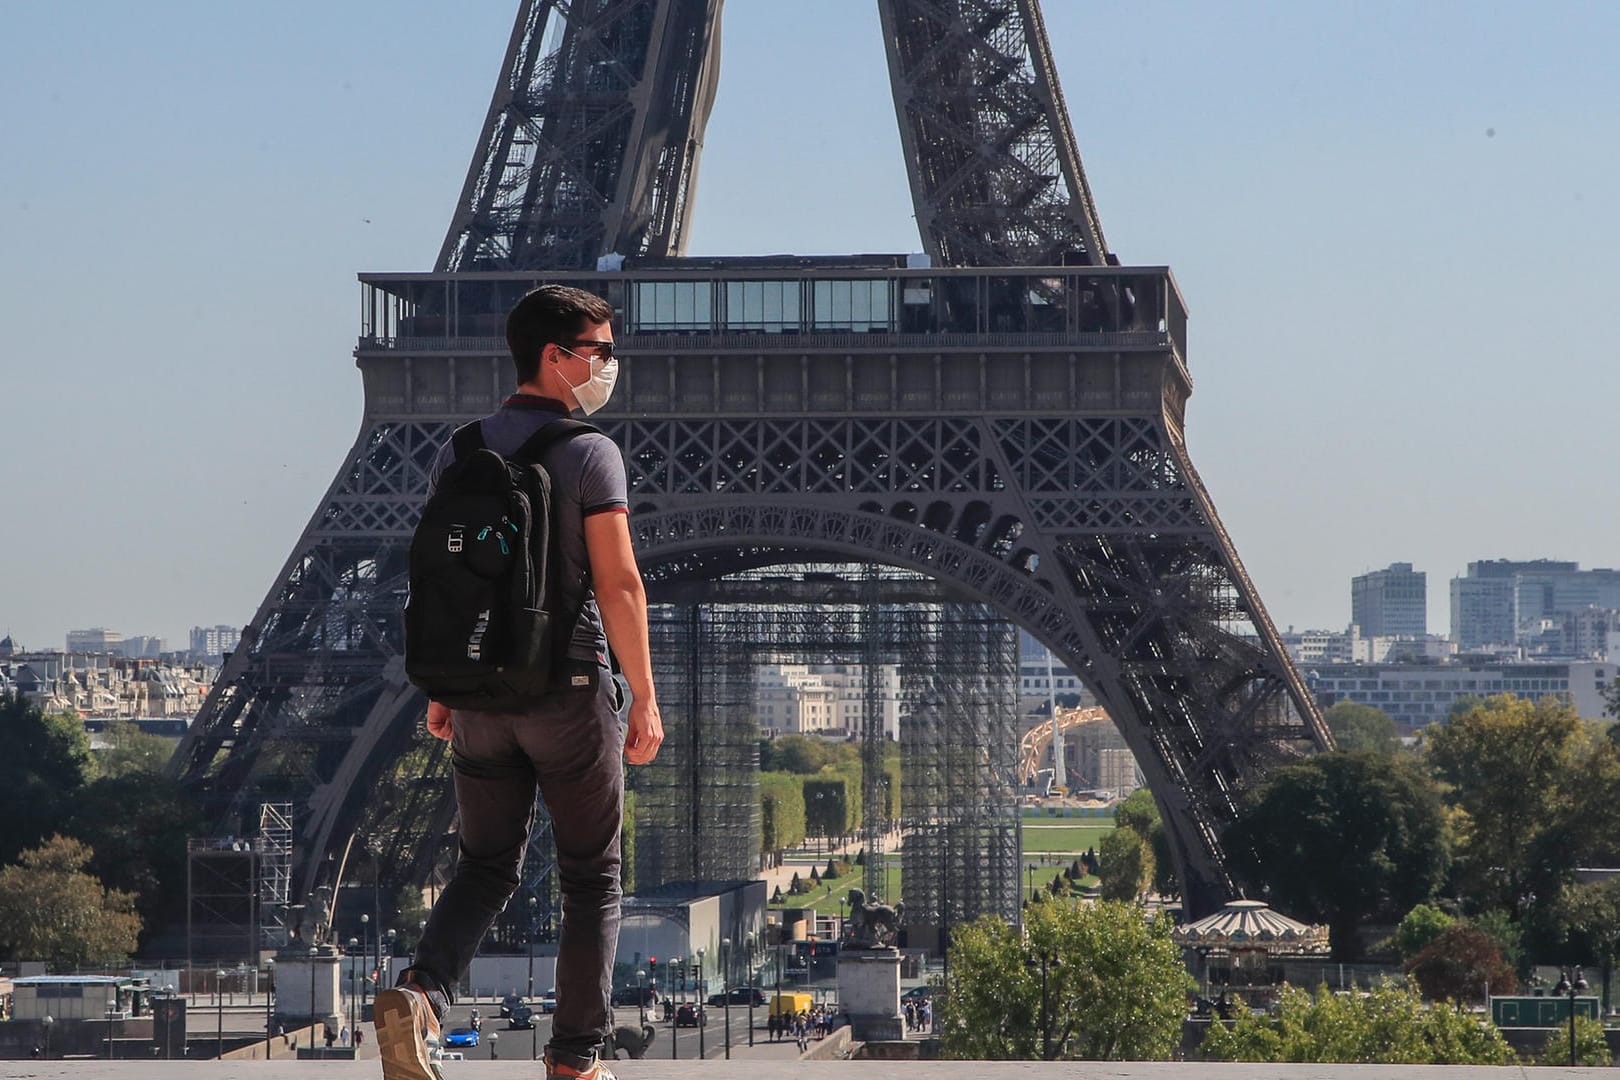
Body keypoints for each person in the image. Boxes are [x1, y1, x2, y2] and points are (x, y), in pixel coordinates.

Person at [374, 285, 664, 1080]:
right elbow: (621, 585)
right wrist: (643, 692)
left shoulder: (460, 451)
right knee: (591, 877)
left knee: (484, 864)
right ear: (555, 355)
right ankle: (574, 1059)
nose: (609, 365)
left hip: (479, 698)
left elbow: (445, 584)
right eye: (599, 351)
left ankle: (422, 993)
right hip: (567, 691)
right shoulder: (589, 451)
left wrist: (444, 686)